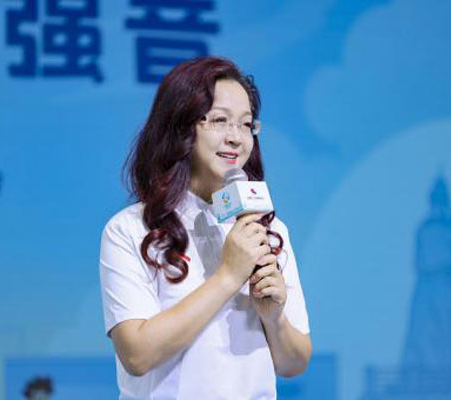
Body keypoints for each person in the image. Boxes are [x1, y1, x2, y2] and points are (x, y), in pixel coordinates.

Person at [99, 56, 311, 400]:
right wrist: (228, 276)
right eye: (220, 120)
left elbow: (294, 362)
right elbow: (136, 355)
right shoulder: (130, 229)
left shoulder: (268, 231)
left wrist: (274, 320)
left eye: (246, 124)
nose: (236, 138)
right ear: (181, 125)